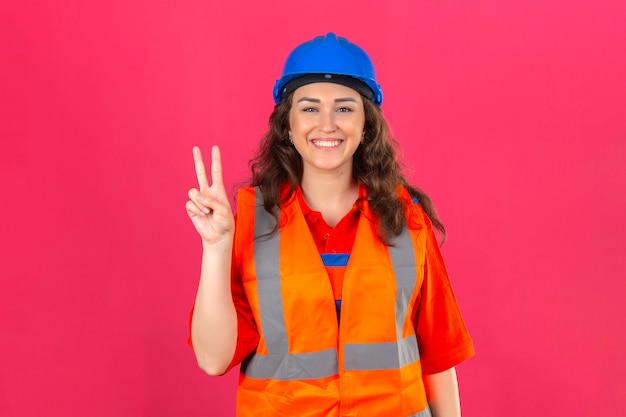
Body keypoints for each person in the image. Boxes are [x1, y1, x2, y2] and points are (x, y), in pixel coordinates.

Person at [186, 33, 474, 417]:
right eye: (309, 108)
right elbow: (212, 358)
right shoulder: (251, 225)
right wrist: (216, 247)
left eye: (343, 108)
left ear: (366, 125)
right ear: (287, 124)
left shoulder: (408, 222)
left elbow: (438, 358)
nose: (326, 124)